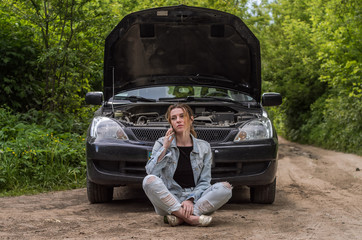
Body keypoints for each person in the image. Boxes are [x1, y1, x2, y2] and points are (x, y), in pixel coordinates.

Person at [143, 103, 233, 227]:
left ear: (191, 119)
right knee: (148, 180)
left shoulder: (204, 147)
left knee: (226, 188)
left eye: (182, 116)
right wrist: (165, 148)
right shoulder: (160, 143)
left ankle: (179, 217)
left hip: (196, 198)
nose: (178, 120)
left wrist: (191, 199)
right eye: (174, 118)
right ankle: (191, 218)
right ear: (171, 123)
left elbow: (205, 181)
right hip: (169, 198)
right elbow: (151, 172)